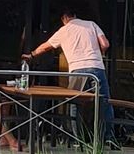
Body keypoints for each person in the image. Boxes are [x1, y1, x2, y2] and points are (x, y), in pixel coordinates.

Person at [31, 8, 111, 137]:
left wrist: (31, 55)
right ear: (75, 15)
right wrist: (100, 54)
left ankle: (77, 137)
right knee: (104, 103)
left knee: (75, 103)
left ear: (64, 18)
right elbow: (105, 44)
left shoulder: (63, 31)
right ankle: (108, 137)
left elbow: (45, 46)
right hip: (97, 68)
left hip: (77, 69)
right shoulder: (91, 24)